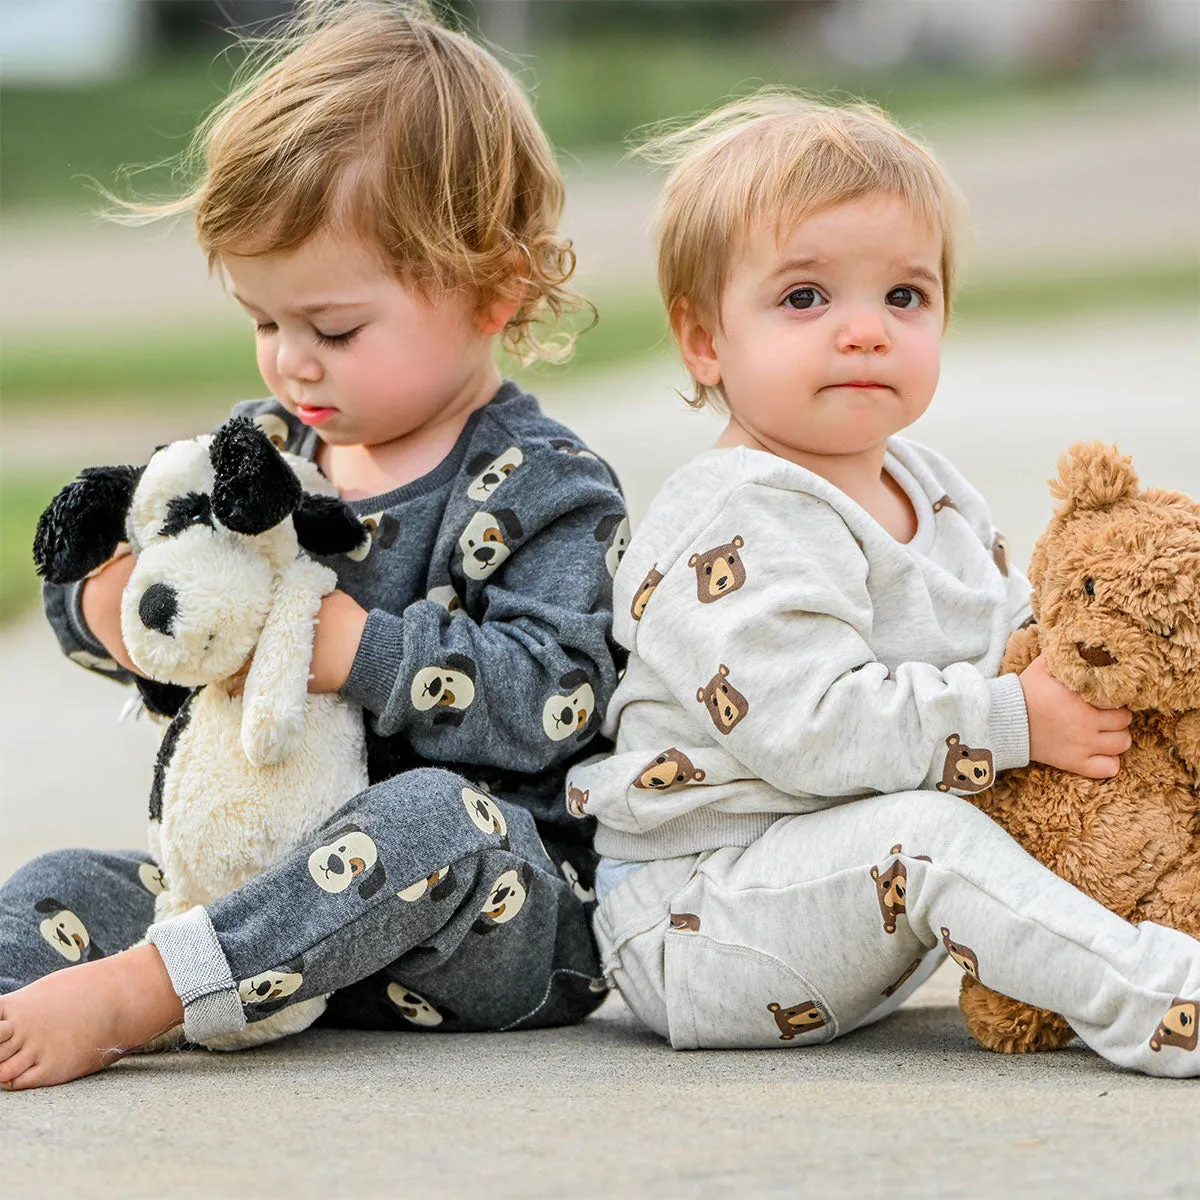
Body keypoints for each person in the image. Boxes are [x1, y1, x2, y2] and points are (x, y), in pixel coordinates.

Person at [0, 0, 626, 1090]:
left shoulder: (545, 486)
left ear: (495, 288)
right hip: (261, 894)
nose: (291, 363)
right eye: (263, 320)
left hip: (485, 928)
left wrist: (357, 649)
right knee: (59, 887)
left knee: (432, 818)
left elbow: (556, 696)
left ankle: (147, 994)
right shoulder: (266, 454)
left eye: (332, 330)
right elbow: (123, 570)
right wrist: (122, 608)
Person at [566, 92, 1200, 1077]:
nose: (865, 331)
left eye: (903, 297)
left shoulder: (932, 486)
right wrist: (1013, 719)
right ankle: (1163, 998)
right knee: (932, 832)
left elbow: (1014, 641)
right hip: (703, 922)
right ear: (704, 341)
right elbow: (809, 728)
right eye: (806, 297)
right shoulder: (726, 515)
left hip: (855, 899)